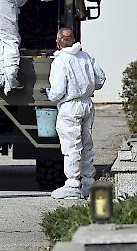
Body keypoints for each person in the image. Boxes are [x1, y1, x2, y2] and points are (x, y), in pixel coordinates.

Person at [45, 28, 105, 199]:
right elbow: (100, 80)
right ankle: (88, 183)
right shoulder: (86, 56)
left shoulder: (60, 61)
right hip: (87, 104)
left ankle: (72, 185)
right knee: (86, 144)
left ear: (57, 42)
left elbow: (57, 92)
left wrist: (49, 94)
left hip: (70, 106)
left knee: (71, 146)